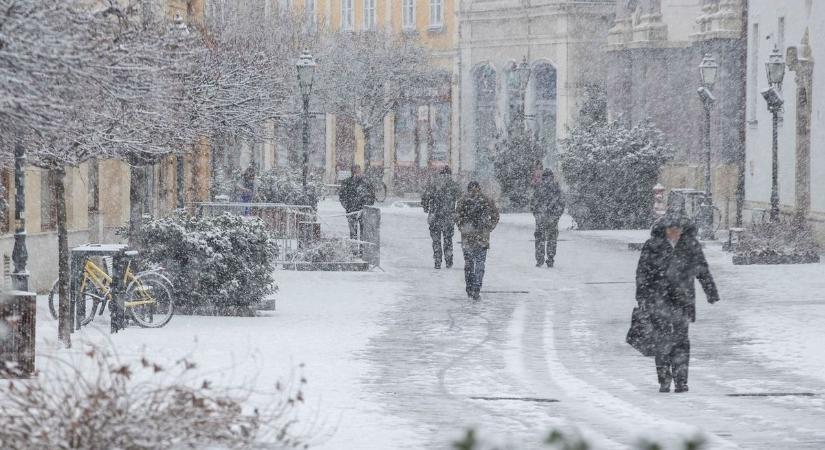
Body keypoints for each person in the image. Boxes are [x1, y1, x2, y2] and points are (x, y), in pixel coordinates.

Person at [634, 213, 720, 393]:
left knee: (681, 341)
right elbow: (642, 271)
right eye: (671, 230)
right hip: (658, 299)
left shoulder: (690, 246)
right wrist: (642, 296)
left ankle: (681, 381)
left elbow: (702, 269)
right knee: (662, 340)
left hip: (683, 300)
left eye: (678, 230)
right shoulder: (653, 246)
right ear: (664, 230)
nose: (675, 233)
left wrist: (711, 291)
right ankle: (664, 379)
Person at [455, 181, 499, 300]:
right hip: (482, 238)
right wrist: (489, 228)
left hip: (467, 238)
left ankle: (469, 287)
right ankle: (477, 287)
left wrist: (463, 228)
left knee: (469, 264)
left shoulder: (463, 200)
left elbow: (457, 216)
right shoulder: (487, 200)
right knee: (480, 264)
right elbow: (496, 215)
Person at [421, 166, 461, 269]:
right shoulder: (453, 185)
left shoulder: (434, 185)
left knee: (436, 240)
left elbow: (425, 196)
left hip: (435, 216)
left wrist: (426, 207)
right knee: (448, 240)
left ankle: (437, 260)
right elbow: (461, 200)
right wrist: (457, 212)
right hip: (448, 217)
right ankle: (448, 261)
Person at [531, 169, 565, 268]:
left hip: (541, 217)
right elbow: (561, 204)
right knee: (552, 238)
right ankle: (550, 258)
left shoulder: (538, 188)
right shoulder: (556, 189)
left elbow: (533, 204)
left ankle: (539, 259)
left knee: (539, 238)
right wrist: (557, 215)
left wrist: (537, 215)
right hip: (552, 218)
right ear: (552, 177)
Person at [338, 164, 376, 240]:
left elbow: (372, 195)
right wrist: (347, 206)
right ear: (352, 172)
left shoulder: (366, 182)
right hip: (351, 211)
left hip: (363, 211)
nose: (357, 173)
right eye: (355, 171)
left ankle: (362, 250)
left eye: (358, 171)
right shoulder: (347, 182)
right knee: (353, 233)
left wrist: (367, 206)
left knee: (364, 233)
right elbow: (342, 196)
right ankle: (354, 250)